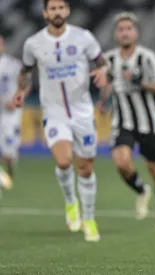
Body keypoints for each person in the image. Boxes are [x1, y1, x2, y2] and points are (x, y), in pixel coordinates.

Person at [12, 0, 110, 242]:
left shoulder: (83, 37)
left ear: (67, 11)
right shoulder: (33, 43)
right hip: (54, 113)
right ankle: (70, 203)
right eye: (52, 8)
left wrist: (104, 72)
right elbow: (25, 71)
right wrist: (21, 90)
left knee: (86, 169)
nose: (57, 12)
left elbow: (103, 63)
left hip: (82, 112)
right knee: (64, 161)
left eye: (61, 7)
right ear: (46, 13)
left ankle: (88, 218)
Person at [99, 12, 155, 229]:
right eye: (120, 29)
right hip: (122, 122)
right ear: (115, 34)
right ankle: (142, 190)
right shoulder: (108, 59)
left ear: (136, 33)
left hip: (148, 122)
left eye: (128, 29)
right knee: (121, 163)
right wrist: (103, 101)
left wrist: (142, 83)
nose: (124, 33)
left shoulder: (146, 57)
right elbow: (107, 85)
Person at [0, 35, 23, 181]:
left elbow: (24, 85)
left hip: (10, 113)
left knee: (9, 152)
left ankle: (9, 175)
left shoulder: (13, 64)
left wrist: (16, 99)